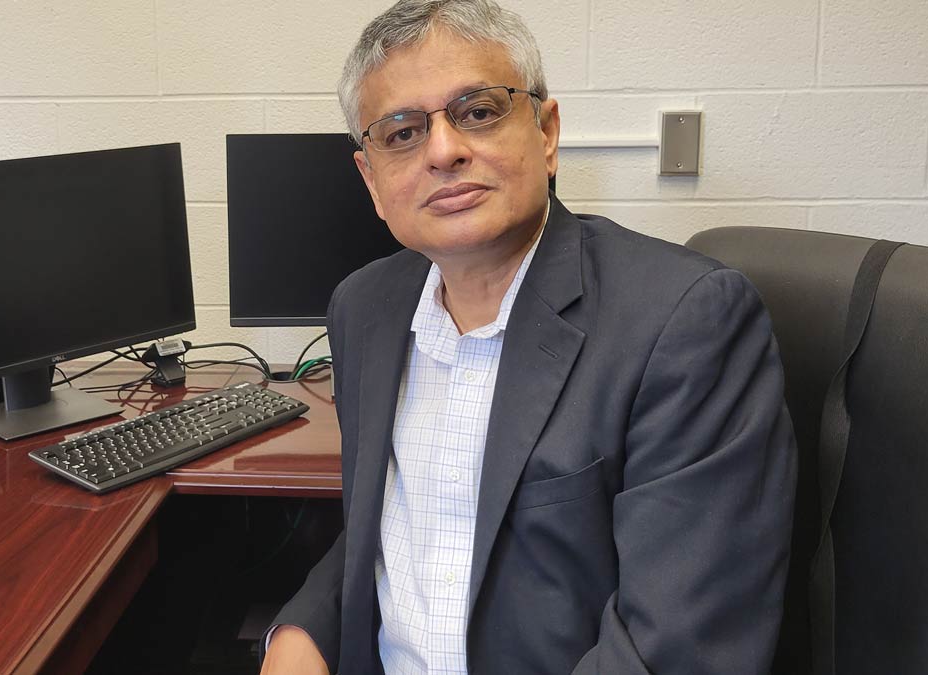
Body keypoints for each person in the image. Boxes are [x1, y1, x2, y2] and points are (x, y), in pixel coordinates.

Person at [261, 1, 797, 673]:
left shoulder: (685, 323)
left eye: (478, 111)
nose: (444, 150)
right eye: (400, 133)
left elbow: (677, 651)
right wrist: (300, 630)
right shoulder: (364, 306)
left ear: (546, 133)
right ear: (371, 180)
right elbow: (394, 523)